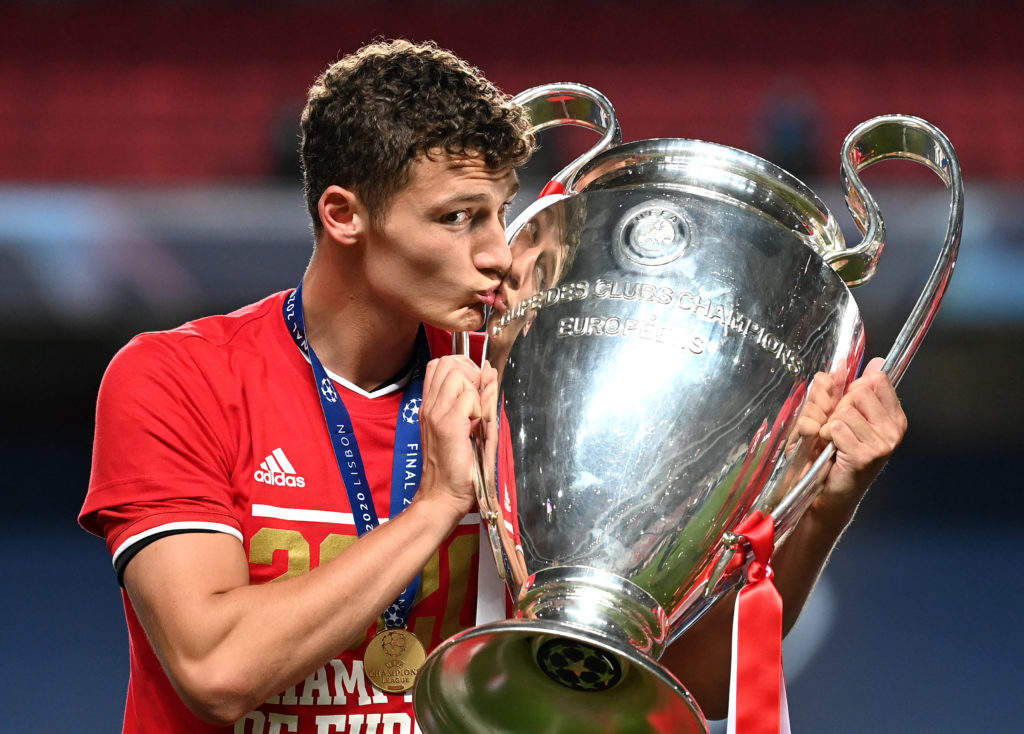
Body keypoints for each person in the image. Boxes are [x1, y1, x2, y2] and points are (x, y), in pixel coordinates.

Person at [80, 39, 907, 733]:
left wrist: (824, 507)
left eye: (498, 212)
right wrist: (437, 505)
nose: (499, 253)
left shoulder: (515, 381)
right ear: (344, 215)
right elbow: (214, 667)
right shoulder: (176, 379)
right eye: (456, 217)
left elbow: (662, 678)